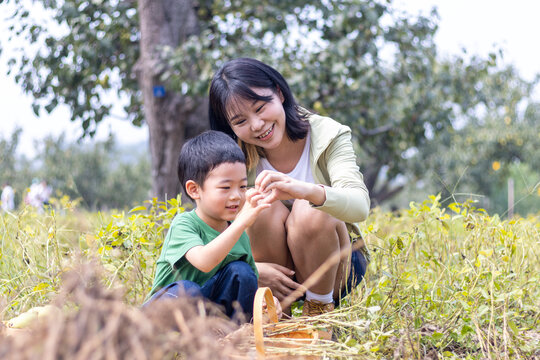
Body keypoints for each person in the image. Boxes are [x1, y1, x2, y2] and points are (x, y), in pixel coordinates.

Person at [208, 58, 370, 317]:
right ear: (229, 127)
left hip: (335, 264)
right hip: (269, 274)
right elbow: (206, 233)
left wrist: (304, 190)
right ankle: (275, 318)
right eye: (240, 121)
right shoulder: (232, 156)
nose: (257, 125)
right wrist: (252, 268)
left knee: (310, 209)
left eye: (261, 108)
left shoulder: (328, 134)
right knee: (258, 203)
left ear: (279, 94)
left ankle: (318, 312)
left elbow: (360, 206)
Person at [144, 130, 275, 321]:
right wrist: (240, 223)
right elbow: (204, 261)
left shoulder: (239, 235)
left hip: (208, 325)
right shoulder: (185, 224)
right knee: (187, 291)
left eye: (242, 186)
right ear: (194, 190)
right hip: (162, 320)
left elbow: (250, 289)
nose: (236, 196)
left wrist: (266, 306)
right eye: (225, 187)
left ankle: (231, 339)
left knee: (243, 273)